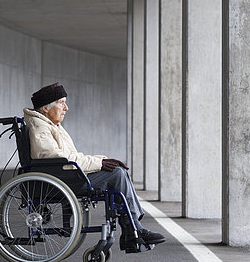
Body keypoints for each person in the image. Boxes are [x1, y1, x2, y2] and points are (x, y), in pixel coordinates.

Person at [23, 82, 165, 252]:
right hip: (60, 179)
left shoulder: (50, 126)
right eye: (61, 103)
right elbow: (58, 158)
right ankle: (133, 230)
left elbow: (70, 158)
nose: (66, 108)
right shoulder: (40, 127)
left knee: (117, 170)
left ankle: (132, 230)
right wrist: (100, 163)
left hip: (64, 176)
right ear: (46, 108)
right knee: (117, 174)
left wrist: (102, 161)